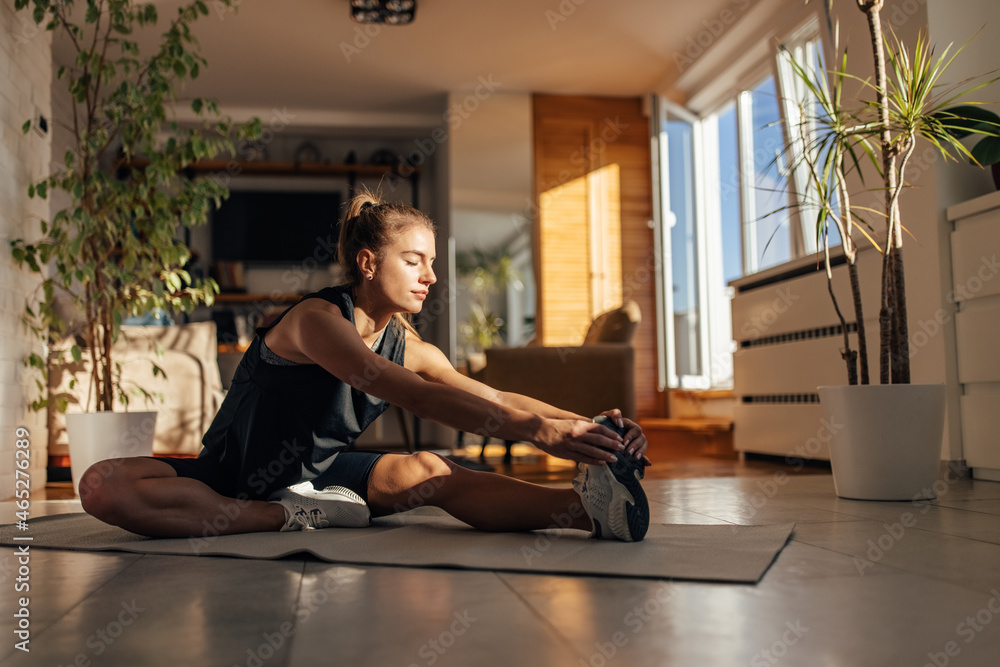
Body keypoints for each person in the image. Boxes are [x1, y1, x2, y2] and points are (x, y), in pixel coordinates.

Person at [80, 190, 651, 543]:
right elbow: (413, 396)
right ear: (368, 262)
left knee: (430, 469)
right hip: (233, 475)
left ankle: (587, 513)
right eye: (414, 260)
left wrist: (588, 426)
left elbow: (494, 396)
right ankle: (284, 519)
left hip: (323, 481)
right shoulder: (316, 321)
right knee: (103, 487)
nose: (430, 276)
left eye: (432, 262)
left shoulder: (411, 344)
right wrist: (538, 435)